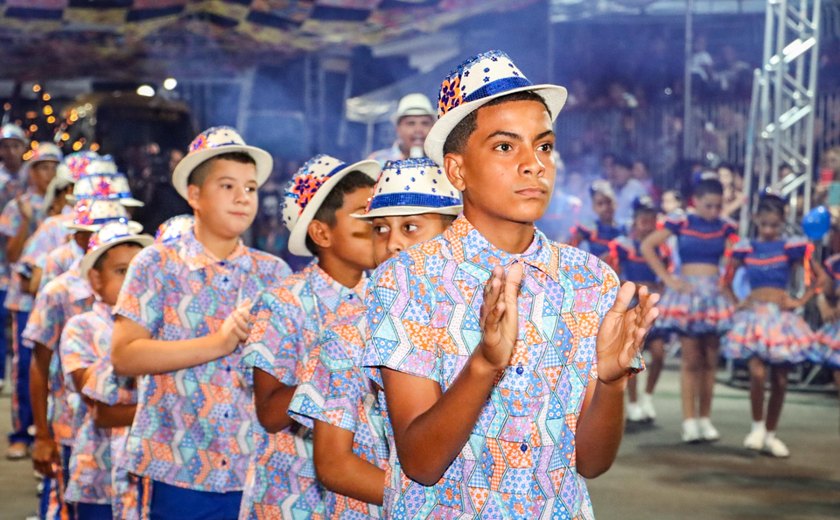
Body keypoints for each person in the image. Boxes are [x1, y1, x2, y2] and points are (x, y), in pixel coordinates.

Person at [362, 49, 659, 518]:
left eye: (543, 145)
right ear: (457, 170)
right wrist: (483, 363)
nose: (534, 164)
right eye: (505, 146)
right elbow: (420, 462)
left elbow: (593, 462)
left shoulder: (588, 281)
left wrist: (611, 382)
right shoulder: (408, 280)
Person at [111, 126, 291, 519]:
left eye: (251, 187)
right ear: (195, 195)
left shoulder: (272, 273)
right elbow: (124, 356)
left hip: (252, 468)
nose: (243, 197)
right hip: (176, 466)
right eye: (227, 186)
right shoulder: (157, 263)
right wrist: (220, 342)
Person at [287, 157, 461, 518]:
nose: (393, 243)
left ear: (456, 234)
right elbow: (334, 464)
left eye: (410, 227)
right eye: (380, 229)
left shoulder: (482, 324)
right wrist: (435, 507)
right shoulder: (347, 335)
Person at [239, 154, 378, 518]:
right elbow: (269, 412)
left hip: (366, 493)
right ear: (321, 233)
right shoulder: (283, 303)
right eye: (364, 214)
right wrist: (331, 374)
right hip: (295, 496)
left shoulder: (385, 295)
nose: (378, 224)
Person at [26, 197, 139, 520]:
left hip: (136, 457)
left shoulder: (150, 313)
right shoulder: (62, 295)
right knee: (63, 502)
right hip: (76, 431)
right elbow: (40, 363)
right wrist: (43, 435)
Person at [60, 221, 153, 517]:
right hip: (97, 473)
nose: (133, 281)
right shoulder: (81, 327)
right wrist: (164, 411)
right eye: (122, 271)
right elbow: (101, 410)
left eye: (140, 271)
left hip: (149, 473)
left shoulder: (161, 327)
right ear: (95, 279)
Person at [721, 193, 822, 457]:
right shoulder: (746, 248)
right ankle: (756, 427)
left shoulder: (792, 248)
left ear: (782, 223)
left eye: (774, 225)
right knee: (756, 373)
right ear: (755, 220)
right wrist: (736, 302)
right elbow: (726, 281)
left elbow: (818, 277)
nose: (768, 230)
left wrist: (799, 300)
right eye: (764, 224)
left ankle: (771, 433)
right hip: (754, 318)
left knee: (780, 379)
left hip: (781, 319)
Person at [641, 173, 738, 443]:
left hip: (713, 296)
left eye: (718, 206)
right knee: (691, 359)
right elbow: (648, 245)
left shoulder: (725, 226)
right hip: (688, 294)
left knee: (710, 360)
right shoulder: (681, 221)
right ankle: (688, 420)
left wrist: (727, 282)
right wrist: (670, 279)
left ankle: (705, 418)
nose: (714, 211)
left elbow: (740, 255)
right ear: (696, 202)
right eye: (709, 205)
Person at [0, 143, 61, 460]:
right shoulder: (19, 205)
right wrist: (26, 221)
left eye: (54, 166)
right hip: (26, 298)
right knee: (25, 366)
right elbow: (11, 255)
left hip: (58, 302)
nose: (48, 173)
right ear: (32, 171)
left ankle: (48, 431)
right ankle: (21, 433)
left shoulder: (68, 209)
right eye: (43, 166)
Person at [609, 196, 670, 422]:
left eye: (651, 218)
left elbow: (666, 277)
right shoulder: (622, 246)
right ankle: (632, 403)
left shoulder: (662, 250)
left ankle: (647, 397)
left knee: (659, 354)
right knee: (632, 356)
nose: (647, 222)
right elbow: (613, 275)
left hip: (653, 304)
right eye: (642, 217)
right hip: (631, 306)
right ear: (635, 220)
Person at [368, 93, 435, 165]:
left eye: (425, 123)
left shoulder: (442, 163)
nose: (418, 130)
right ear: (398, 128)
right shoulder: (378, 161)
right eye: (411, 123)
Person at [569, 180, 626, 260]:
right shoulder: (589, 228)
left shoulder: (625, 229)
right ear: (594, 207)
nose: (605, 207)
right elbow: (568, 248)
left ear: (615, 203)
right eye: (600, 203)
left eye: (608, 202)